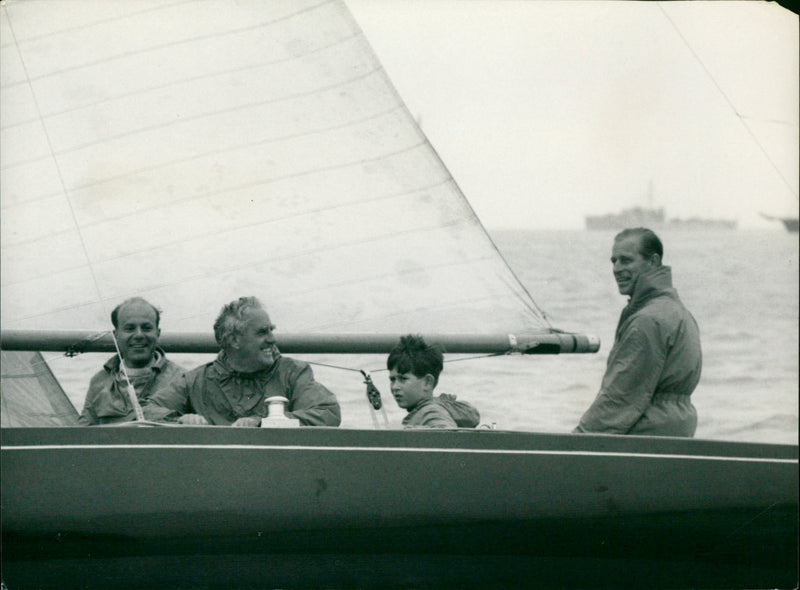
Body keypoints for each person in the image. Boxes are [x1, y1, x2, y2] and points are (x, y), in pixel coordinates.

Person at [574, 228, 702, 436]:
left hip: (644, 434)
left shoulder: (646, 321)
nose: (616, 268)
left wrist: (576, 441)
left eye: (626, 260)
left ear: (653, 261)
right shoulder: (680, 313)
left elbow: (619, 399)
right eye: (613, 261)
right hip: (675, 431)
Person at [144, 296, 341, 427]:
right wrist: (180, 421)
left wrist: (265, 423)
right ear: (234, 340)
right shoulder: (195, 381)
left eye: (271, 330)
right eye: (262, 333)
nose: (272, 339)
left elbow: (328, 413)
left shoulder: (294, 373)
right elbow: (146, 411)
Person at [79, 297, 184, 426]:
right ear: (116, 335)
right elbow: (83, 431)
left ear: (158, 333)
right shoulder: (99, 381)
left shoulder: (182, 380)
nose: (139, 335)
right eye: (129, 328)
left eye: (146, 328)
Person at [387, 334, 480, 429]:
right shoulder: (430, 410)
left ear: (427, 382)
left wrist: (404, 430)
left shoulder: (430, 413)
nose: (395, 387)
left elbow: (447, 434)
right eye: (392, 379)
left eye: (403, 379)